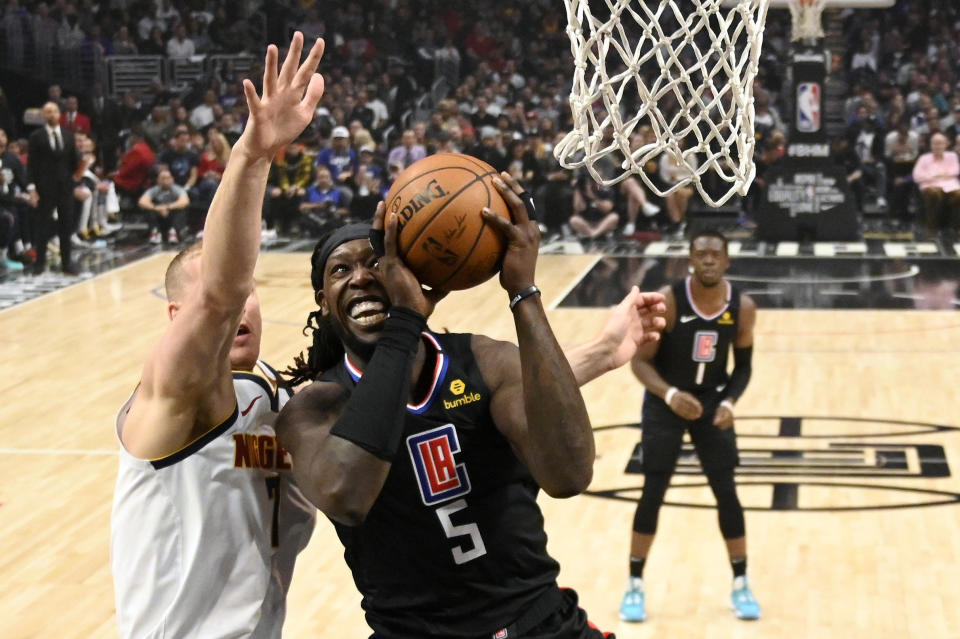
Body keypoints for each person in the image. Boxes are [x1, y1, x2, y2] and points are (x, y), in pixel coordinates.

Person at [275, 172, 666, 638]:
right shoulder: (314, 409)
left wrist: (523, 290)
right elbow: (348, 496)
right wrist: (406, 321)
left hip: (539, 624)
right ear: (323, 302)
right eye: (341, 270)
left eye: (377, 263)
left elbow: (568, 474)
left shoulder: (486, 361)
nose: (361, 276)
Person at [110, 33, 326, 639]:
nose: (238, 305)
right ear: (178, 320)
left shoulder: (271, 401)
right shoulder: (171, 399)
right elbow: (220, 292)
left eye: (251, 291)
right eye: (219, 299)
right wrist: (252, 156)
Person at [619, 229, 759, 623]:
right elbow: (640, 362)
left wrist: (730, 401)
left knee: (726, 490)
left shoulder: (743, 307)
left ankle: (741, 582)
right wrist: (669, 396)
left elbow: (743, 367)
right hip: (667, 401)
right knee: (654, 489)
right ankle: (634, 583)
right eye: (702, 254)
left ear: (727, 260)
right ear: (691, 260)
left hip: (711, 400)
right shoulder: (669, 299)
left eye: (716, 254)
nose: (709, 260)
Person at [27, 101, 80, 275]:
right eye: (48, 111)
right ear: (43, 115)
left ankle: (67, 263)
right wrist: (31, 187)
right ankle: (39, 263)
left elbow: (74, 162)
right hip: (44, 188)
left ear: (60, 114)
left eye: (55, 111)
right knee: (43, 226)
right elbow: (31, 165)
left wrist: (75, 179)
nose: (51, 114)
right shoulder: (36, 137)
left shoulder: (68, 135)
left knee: (66, 226)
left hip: (65, 188)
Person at [912, 132, 960, 236]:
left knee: (958, 196)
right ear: (931, 145)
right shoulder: (924, 158)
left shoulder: (952, 156)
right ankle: (931, 228)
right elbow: (917, 176)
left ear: (945, 144)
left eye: (940, 143)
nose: (938, 146)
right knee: (934, 195)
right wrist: (941, 175)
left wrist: (932, 175)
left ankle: (954, 228)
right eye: (935, 143)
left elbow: (955, 171)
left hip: (950, 186)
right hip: (930, 187)